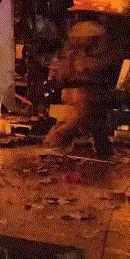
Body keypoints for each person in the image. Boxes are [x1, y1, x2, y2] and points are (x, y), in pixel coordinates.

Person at [44, 20, 119, 157]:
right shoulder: (93, 58)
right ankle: (52, 146)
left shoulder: (70, 57)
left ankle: (103, 150)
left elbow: (59, 76)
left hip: (77, 97)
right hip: (88, 98)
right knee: (70, 128)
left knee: (95, 127)